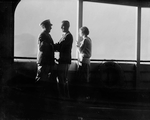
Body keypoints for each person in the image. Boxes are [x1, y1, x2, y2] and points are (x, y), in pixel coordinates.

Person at [54, 20, 73, 98]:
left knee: (62, 79)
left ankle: (64, 97)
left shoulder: (68, 36)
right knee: (62, 79)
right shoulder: (65, 35)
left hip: (64, 61)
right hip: (63, 60)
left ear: (67, 26)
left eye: (63, 25)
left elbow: (61, 46)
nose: (61, 27)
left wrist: (51, 46)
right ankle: (65, 96)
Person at [35, 19, 55, 83]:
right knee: (41, 79)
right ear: (45, 27)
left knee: (44, 78)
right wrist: (51, 46)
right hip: (44, 61)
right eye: (49, 26)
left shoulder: (47, 35)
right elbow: (41, 47)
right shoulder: (43, 35)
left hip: (46, 61)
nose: (51, 28)